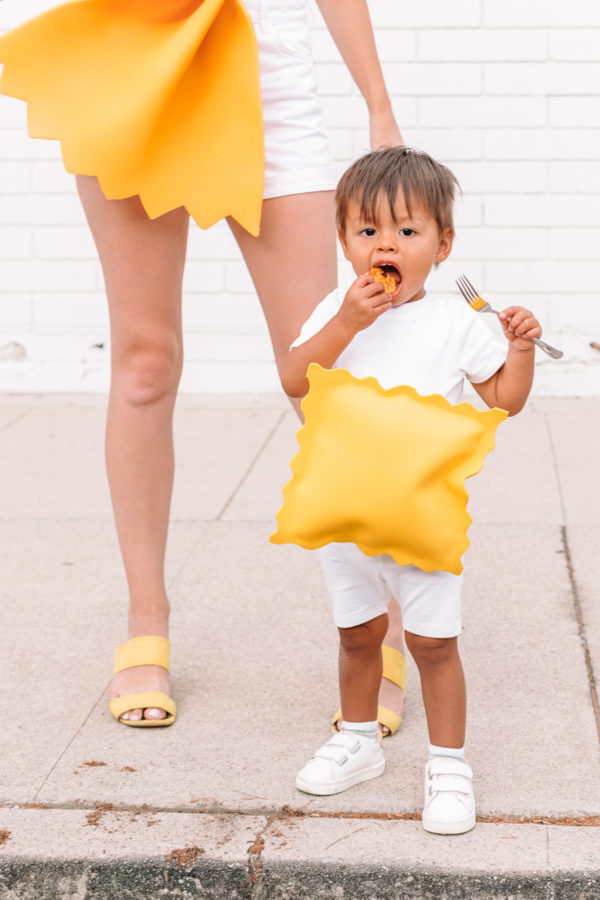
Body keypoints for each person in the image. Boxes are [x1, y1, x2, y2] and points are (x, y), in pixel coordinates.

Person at [0, 0, 407, 726]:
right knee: (144, 364)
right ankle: (145, 620)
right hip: (142, 72)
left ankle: (388, 618)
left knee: (323, 378)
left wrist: (379, 105)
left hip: (269, 82)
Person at [279, 145, 542, 834]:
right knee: (359, 633)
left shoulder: (456, 322)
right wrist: (346, 323)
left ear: (442, 244)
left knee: (432, 643)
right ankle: (358, 741)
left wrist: (518, 350)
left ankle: (449, 765)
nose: (385, 244)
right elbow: (293, 380)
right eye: (367, 231)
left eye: (407, 231)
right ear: (344, 242)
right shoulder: (335, 313)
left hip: (422, 512)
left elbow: (503, 401)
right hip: (344, 508)